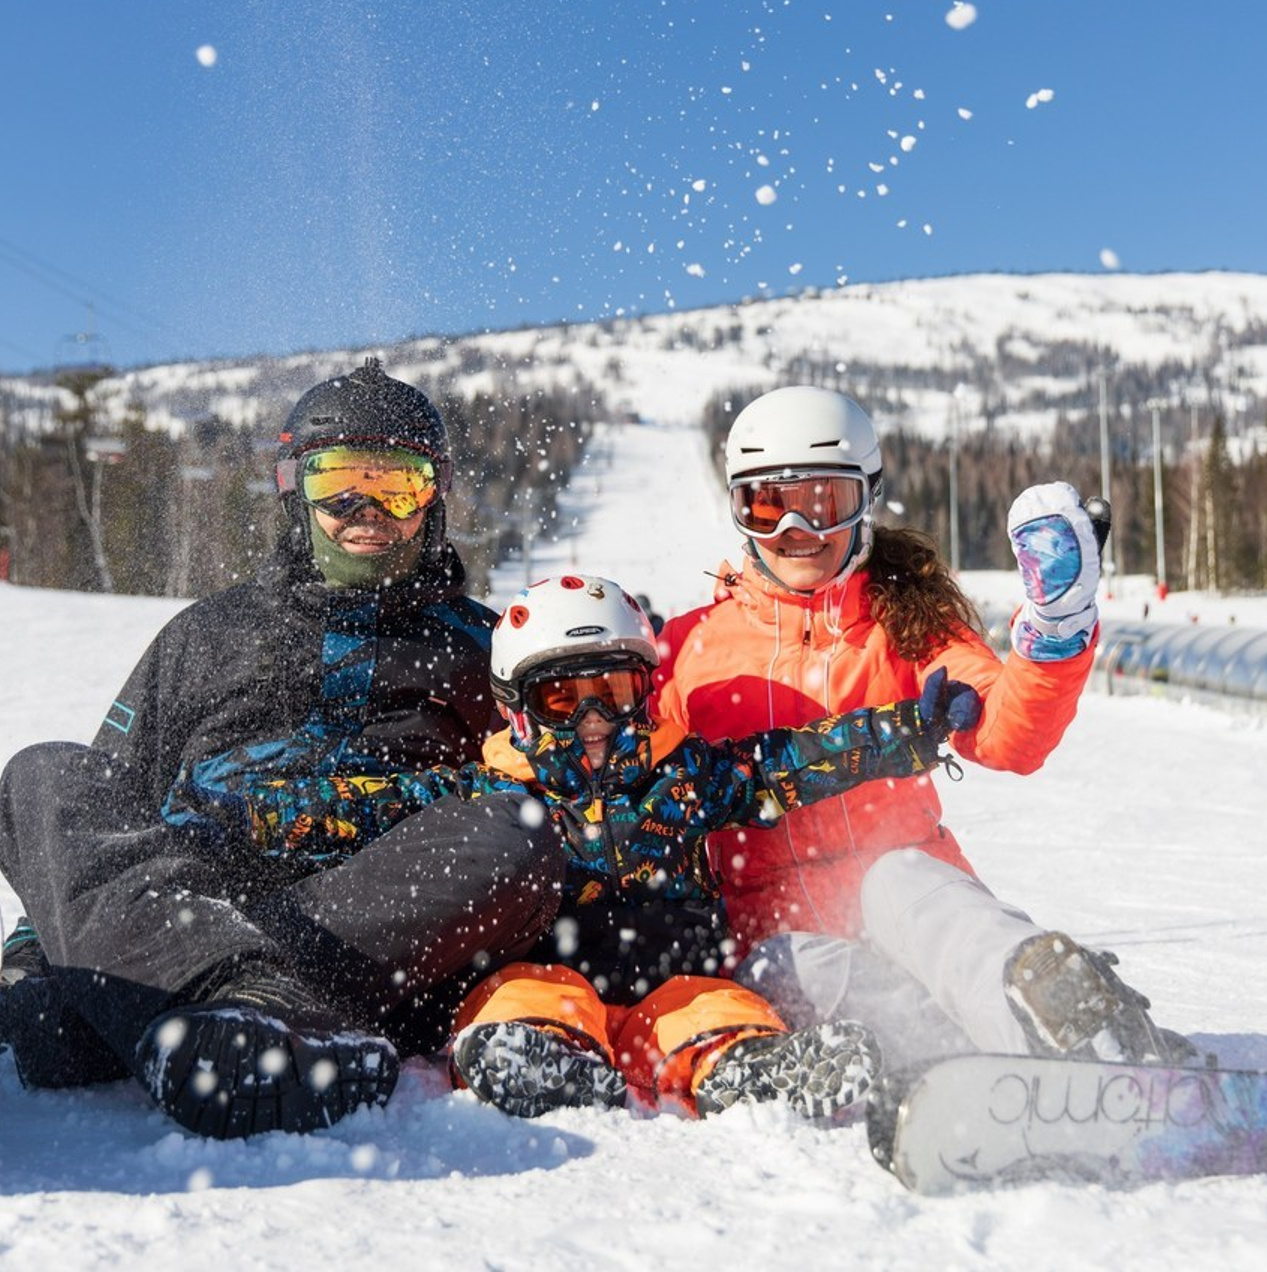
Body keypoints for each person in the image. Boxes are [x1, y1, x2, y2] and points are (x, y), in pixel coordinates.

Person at [0, 359, 564, 1140]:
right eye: (339, 483)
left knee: (520, 829)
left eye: (397, 483)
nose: (366, 509)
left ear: (433, 496)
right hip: (186, 903)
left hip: (353, 926)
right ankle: (233, 1000)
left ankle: (218, 1008)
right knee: (42, 772)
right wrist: (40, 941)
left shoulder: (480, 647)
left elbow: (561, 783)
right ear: (292, 487)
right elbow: (106, 798)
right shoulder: (207, 633)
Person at [226, 575, 980, 1120]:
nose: (592, 718)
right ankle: (530, 1056)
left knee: (713, 1006)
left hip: (674, 976)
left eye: (612, 693)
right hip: (544, 968)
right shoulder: (487, 793)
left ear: (642, 693)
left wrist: (907, 730)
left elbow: (789, 760)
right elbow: (371, 808)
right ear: (519, 710)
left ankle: (748, 1063)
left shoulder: (683, 772)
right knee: (520, 996)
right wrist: (253, 814)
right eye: (562, 697)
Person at [653, 385, 1191, 1071]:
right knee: (798, 960)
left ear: (864, 503)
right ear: (739, 511)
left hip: (917, 917)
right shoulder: (690, 651)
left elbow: (1008, 734)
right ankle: (963, 1056)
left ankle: (1067, 1016)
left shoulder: (903, 624)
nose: (796, 532)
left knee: (900, 876)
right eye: (767, 506)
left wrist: (1053, 637)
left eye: (824, 504)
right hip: (777, 944)